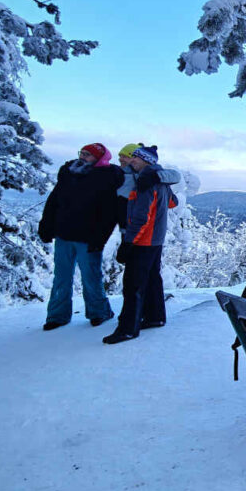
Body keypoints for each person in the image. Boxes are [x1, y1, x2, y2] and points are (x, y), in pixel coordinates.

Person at [39, 142, 123, 330]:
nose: (83, 157)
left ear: (99, 158)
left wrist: (99, 240)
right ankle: (57, 316)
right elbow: (54, 201)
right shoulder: (69, 173)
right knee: (61, 277)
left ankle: (99, 312)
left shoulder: (106, 178)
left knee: (91, 277)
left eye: (88, 154)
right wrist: (46, 226)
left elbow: (109, 215)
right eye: (82, 153)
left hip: (88, 238)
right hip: (64, 234)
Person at [104, 145, 178, 345]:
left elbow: (141, 218)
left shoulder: (146, 182)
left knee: (133, 285)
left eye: (136, 158)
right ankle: (155, 317)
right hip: (156, 240)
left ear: (147, 161)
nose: (132, 161)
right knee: (153, 278)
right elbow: (173, 202)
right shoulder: (158, 179)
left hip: (144, 240)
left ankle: (128, 329)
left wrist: (128, 243)